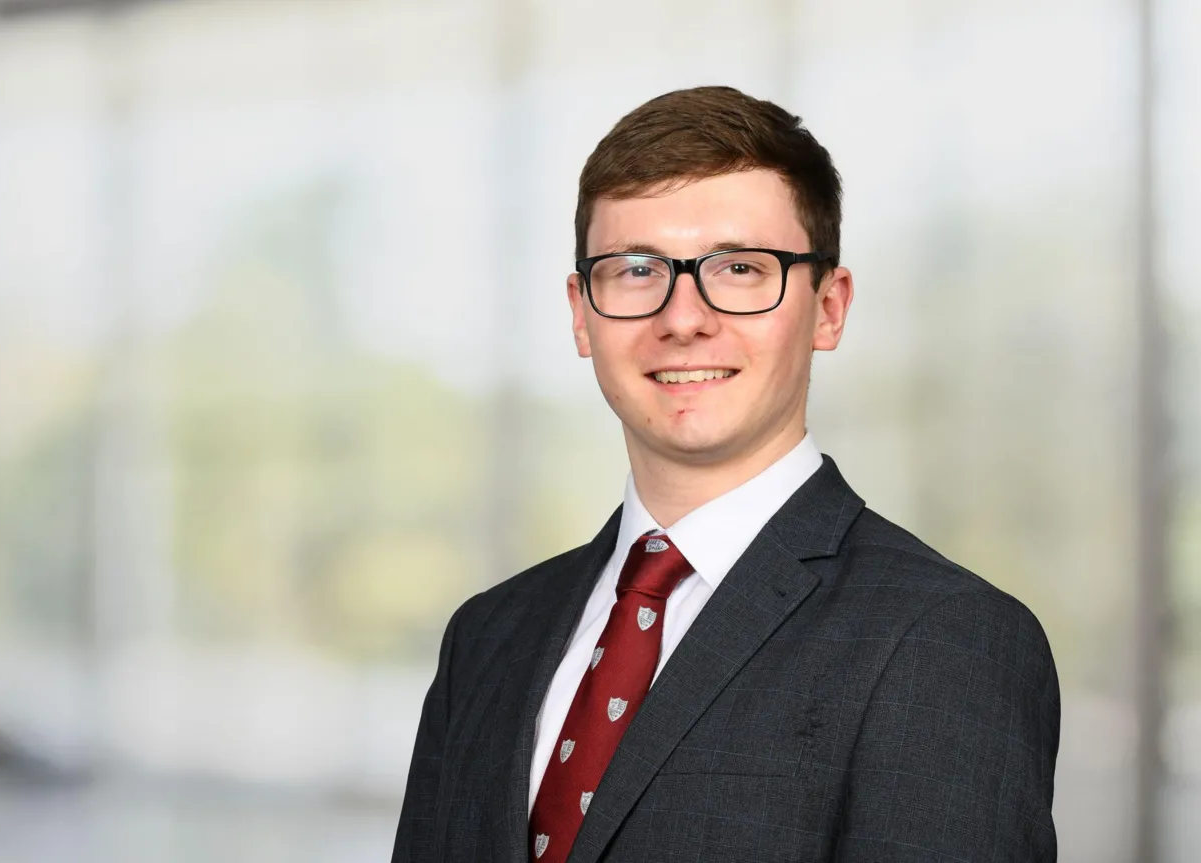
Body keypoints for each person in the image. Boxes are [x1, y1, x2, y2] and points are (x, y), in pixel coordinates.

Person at [390, 86, 1059, 863]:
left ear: (830, 306)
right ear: (582, 311)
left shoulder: (947, 640)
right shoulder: (487, 635)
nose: (682, 317)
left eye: (740, 268)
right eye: (636, 269)